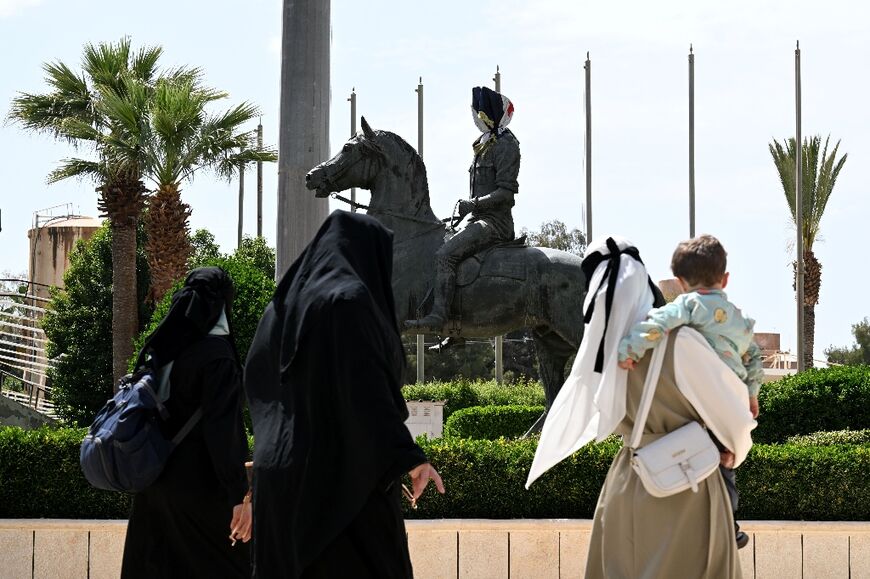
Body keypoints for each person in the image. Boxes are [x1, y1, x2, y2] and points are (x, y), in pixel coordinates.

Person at [527, 236, 756, 579]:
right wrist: (734, 453)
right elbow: (735, 420)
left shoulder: (606, 354)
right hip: (688, 484)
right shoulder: (681, 342)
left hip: (628, 479)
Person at [245, 211, 445, 578]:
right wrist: (410, 456)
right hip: (338, 490)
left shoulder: (281, 309)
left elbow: (257, 379)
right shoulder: (348, 302)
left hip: (280, 483)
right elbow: (365, 391)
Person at [616, 234, 762, 547]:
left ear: (681, 282)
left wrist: (630, 349)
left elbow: (657, 324)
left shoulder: (689, 305)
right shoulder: (740, 319)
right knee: (727, 467)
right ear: (725, 278)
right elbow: (753, 358)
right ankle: (730, 524)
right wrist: (752, 394)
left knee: (699, 455)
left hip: (701, 402)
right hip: (730, 402)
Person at [121, 267, 251, 579]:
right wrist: (239, 496)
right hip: (199, 489)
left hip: (153, 483)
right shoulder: (217, 355)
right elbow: (223, 432)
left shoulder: (162, 348)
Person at [406, 85, 520, 332]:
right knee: (439, 245)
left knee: (445, 255)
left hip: (495, 223)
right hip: (476, 219)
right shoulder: (484, 143)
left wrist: (474, 204)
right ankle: (457, 328)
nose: (476, 120)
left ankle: (439, 316)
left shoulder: (506, 144)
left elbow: (506, 193)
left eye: (480, 115)